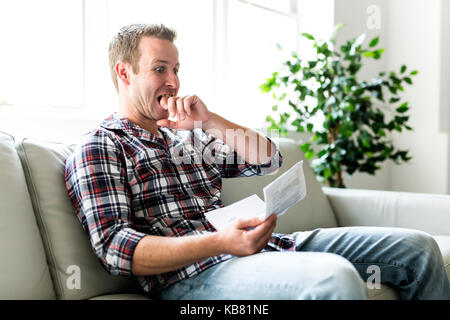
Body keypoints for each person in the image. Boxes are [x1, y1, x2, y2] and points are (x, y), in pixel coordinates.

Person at [65, 23, 450, 300]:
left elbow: (267, 158)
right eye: (160, 69)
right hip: (192, 277)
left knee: (418, 249)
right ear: (124, 72)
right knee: (332, 280)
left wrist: (209, 121)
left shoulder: (188, 137)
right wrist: (220, 242)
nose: (173, 82)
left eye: (176, 69)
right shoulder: (100, 146)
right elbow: (117, 249)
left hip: (268, 248)